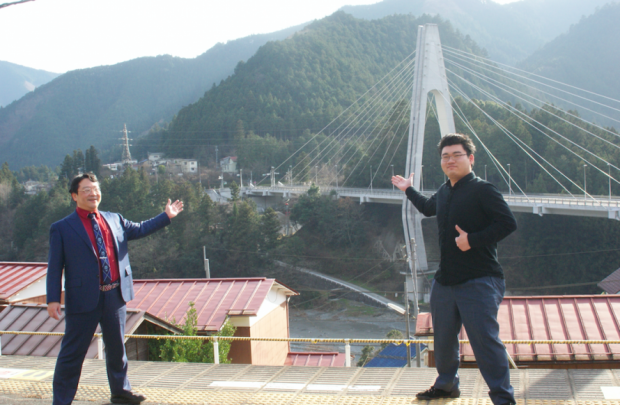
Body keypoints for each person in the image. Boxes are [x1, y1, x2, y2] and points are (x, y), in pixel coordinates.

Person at [392, 133, 517, 405]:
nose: (450, 160)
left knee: (485, 342)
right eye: (445, 156)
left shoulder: (484, 190)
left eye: (456, 155)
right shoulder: (445, 190)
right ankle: (447, 385)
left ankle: (503, 398)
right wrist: (408, 189)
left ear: (470, 159)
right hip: (445, 281)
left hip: (480, 280)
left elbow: (508, 224)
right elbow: (427, 208)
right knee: (444, 341)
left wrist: (471, 240)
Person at [47, 173, 184, 405]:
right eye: (86, 190)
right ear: (74, 196)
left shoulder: (114, 219)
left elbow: (140, 229)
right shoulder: (61, 228)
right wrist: (52, 299)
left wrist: (166, 216)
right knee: (72, 354)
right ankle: (61, 400)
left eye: (96, 188)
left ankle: (121, 392)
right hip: (82, 299)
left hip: (115, 295)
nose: (93, 193)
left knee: (117, 348)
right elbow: (54, 266)